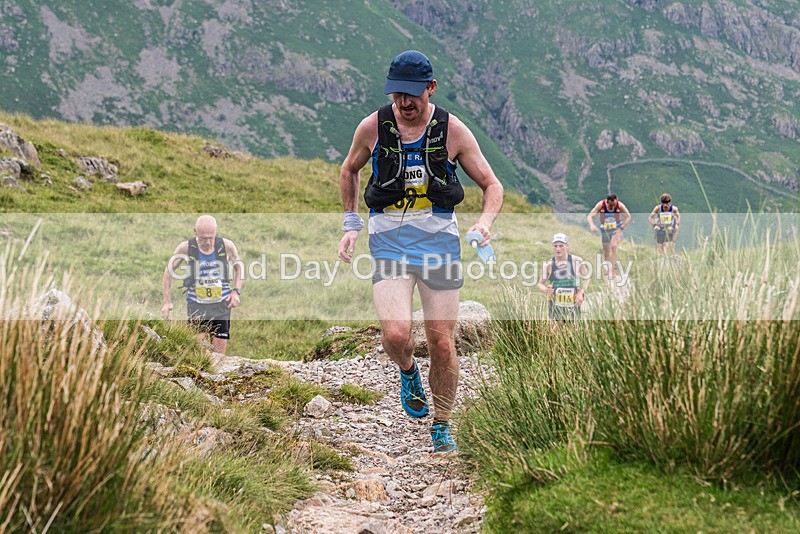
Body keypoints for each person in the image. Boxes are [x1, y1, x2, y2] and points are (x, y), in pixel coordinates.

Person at [337, 50, 503, 453]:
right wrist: (351, 223)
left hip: (438, 243)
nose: (404, 103)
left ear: (430, 88)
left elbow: (492, 186)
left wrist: (484, 225)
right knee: (395, 334)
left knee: (442, 342)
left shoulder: (453, 132)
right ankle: (408, 370)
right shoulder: (373, 127)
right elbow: (349, 170)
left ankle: (442, 423)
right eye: (397, 95)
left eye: (412, 94)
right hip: (389, 241)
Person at [162, 215, 242, 355]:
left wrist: (236, 291)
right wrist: (167, 302)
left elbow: (239, 267)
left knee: (218, 355)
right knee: (199, 353)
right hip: (197, 306)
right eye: (203, 238)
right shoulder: (186, 248)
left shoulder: (226, 246)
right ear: (195, 231)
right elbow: (168, 272)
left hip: (221, 305)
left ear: (216, 230)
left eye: (211, 237)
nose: (208, 241)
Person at [536, 233, 589, 322]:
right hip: (555, 305)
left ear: (567, 246)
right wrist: (546, 290)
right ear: (552, 246)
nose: (558, 249)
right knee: (555, 334)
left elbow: (586, 278)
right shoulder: (548, 265)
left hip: (573, 304)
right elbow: (540, 283)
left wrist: (581, 293)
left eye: (561, 246)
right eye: (555, 246)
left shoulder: (576, 261)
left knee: (574, 333)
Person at [586, 193, 631, 278]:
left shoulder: (620, 205)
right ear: (607, 202)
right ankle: (609, 267)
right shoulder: (601, 205)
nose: (612, 207)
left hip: (616, 229)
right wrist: (592, 225)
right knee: (606, 250)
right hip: (605, 229)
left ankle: (612, 270)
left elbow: (628, 217)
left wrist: (621, 229)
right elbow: (589, 216)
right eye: (610, 206)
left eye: (614, 205)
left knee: (613, 246)